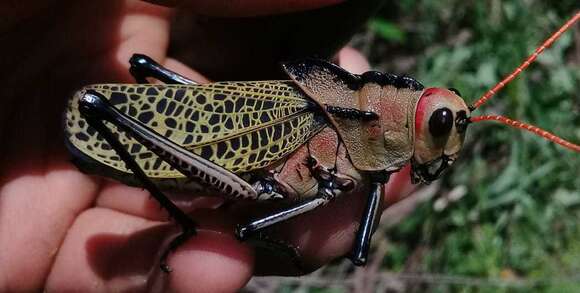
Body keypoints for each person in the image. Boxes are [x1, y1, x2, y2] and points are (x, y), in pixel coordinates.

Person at [0, 0, 414, 291]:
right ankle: (184, 225)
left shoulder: (362, 149)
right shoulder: (335, 118)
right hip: (224, 167)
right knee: (113, 98)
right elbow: (248, 226)